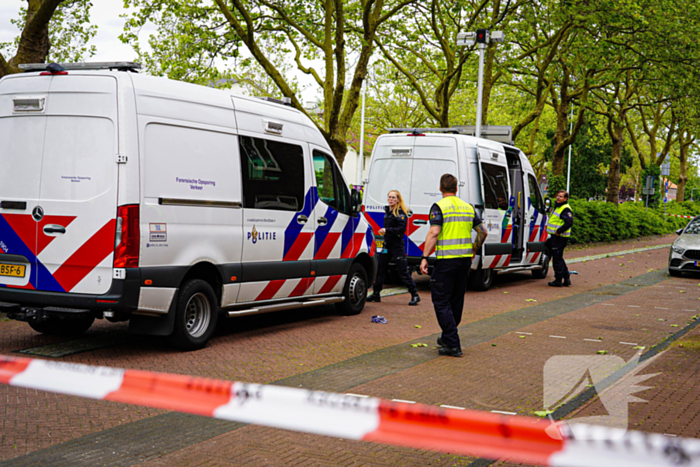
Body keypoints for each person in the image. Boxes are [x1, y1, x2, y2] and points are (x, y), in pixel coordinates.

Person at [420, 174, 488, 357]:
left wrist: (424, 257)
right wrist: (474, 248)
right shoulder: (468, 208)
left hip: (446, 261)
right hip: (465, 260)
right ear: (456, 188)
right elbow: (483, 232)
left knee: (440, 299)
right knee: (456, 299)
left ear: (440, 188)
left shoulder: (439, 207)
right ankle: (447, 335)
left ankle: (452, 343)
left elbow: (434, 232)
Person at [367, 190, 420, 306]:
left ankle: (414, 294)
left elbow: (401, 230)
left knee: (403, 271)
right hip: (387, 244)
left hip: (396, 246)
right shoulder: (388, 211)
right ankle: (376, 293)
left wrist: (387, 230)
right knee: (380, 268)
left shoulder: (400, 213)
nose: (390, 199)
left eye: (393, 197)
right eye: (389, 197)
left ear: (398, 200)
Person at [546, 190, 574, 287]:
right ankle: (566, 278)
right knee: (558, 258)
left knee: (557, 259)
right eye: (558, 196)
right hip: (556, 237)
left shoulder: (565, 209)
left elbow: (569, 222)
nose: (558, 198)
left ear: (565, 199)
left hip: (560, 238)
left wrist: (559, 231)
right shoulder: (558, 207)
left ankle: (558, 280)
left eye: (561, 196)